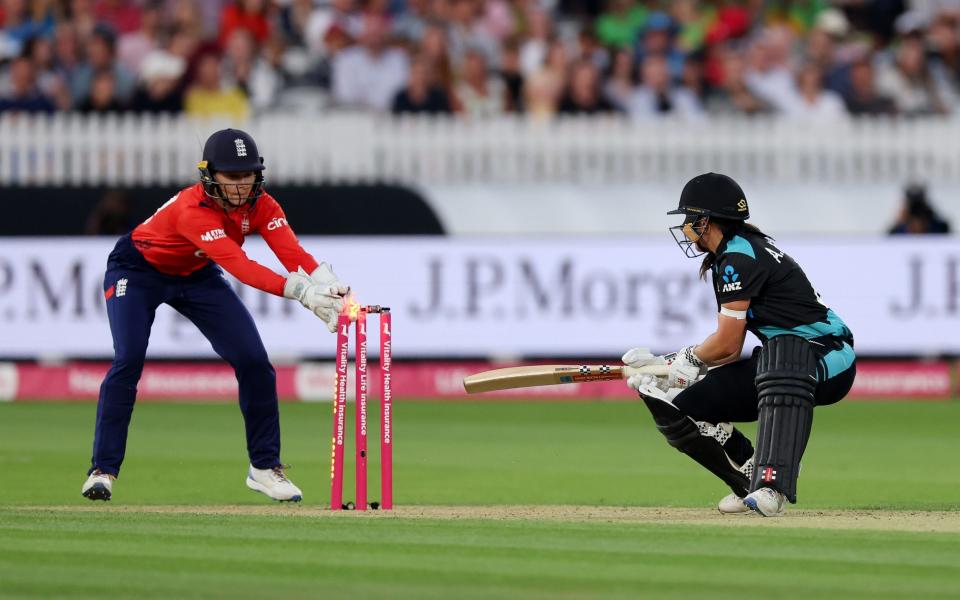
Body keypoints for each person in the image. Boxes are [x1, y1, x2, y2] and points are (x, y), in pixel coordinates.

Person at [81, 129, 351, 503]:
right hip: (137, 271)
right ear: (209, 175)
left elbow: (293, 253)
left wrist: (332, 285)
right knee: (128, 360)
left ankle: (264, 468)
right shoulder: (191, 210)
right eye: (232, 177)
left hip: (196, 274)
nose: (242, 185)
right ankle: (103, 471)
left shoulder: (263, 205)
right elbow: (239, 265)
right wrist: (303, 293)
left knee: (254, 361)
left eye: (249, 175)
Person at [623, 173, 856, 517]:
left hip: (829, 355)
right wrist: (667, 366)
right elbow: (725, 346)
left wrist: (679, 361)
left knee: (785, 352)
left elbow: (728, 346)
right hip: (783, 360)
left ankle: (773, 485)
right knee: (677, 405)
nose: (686, 228)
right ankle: (748, 480)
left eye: (690, 218)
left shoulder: (740, 256)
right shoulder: (729, 257)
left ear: (706, 220)